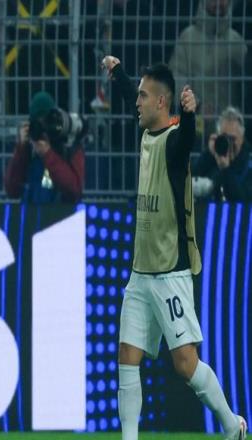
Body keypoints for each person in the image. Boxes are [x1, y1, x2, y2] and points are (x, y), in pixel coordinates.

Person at [101, 55, 247, 440]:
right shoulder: (146, 134)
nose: (137, 102)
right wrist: (117, 73)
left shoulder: (174, 143)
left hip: (170, 272)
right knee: (127, 356)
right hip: (140, 272)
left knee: (185, 364)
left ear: (161, 102)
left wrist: (192, 114)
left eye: (143, 96)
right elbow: (130, 96)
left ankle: (231, 424)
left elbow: (186, 139)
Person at [169, 0, 247, 142]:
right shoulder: (187, 38)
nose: (218, 2)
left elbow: (245, 91)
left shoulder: (237, 43)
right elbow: (175, 80)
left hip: (229, 135)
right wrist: (197, 105)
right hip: (194, 131)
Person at [4, 91, 85, 203]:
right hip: (32, 211)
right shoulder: (28, 149)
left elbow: (74, 191)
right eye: (38, 124)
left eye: (46, 123)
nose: (43, 130)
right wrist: (21, 149)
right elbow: (11, 190)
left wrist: (48, 154)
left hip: (63, 212)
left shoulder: (68, 146)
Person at [192, 106, 252, 202]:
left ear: (242, 139)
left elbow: (243, 202)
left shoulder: (248, 165)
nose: (228, 143)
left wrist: (225, 169)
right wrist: (208, 154)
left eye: (232, 139)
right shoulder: (212, 158)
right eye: (225, 137)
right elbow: (189, 180)